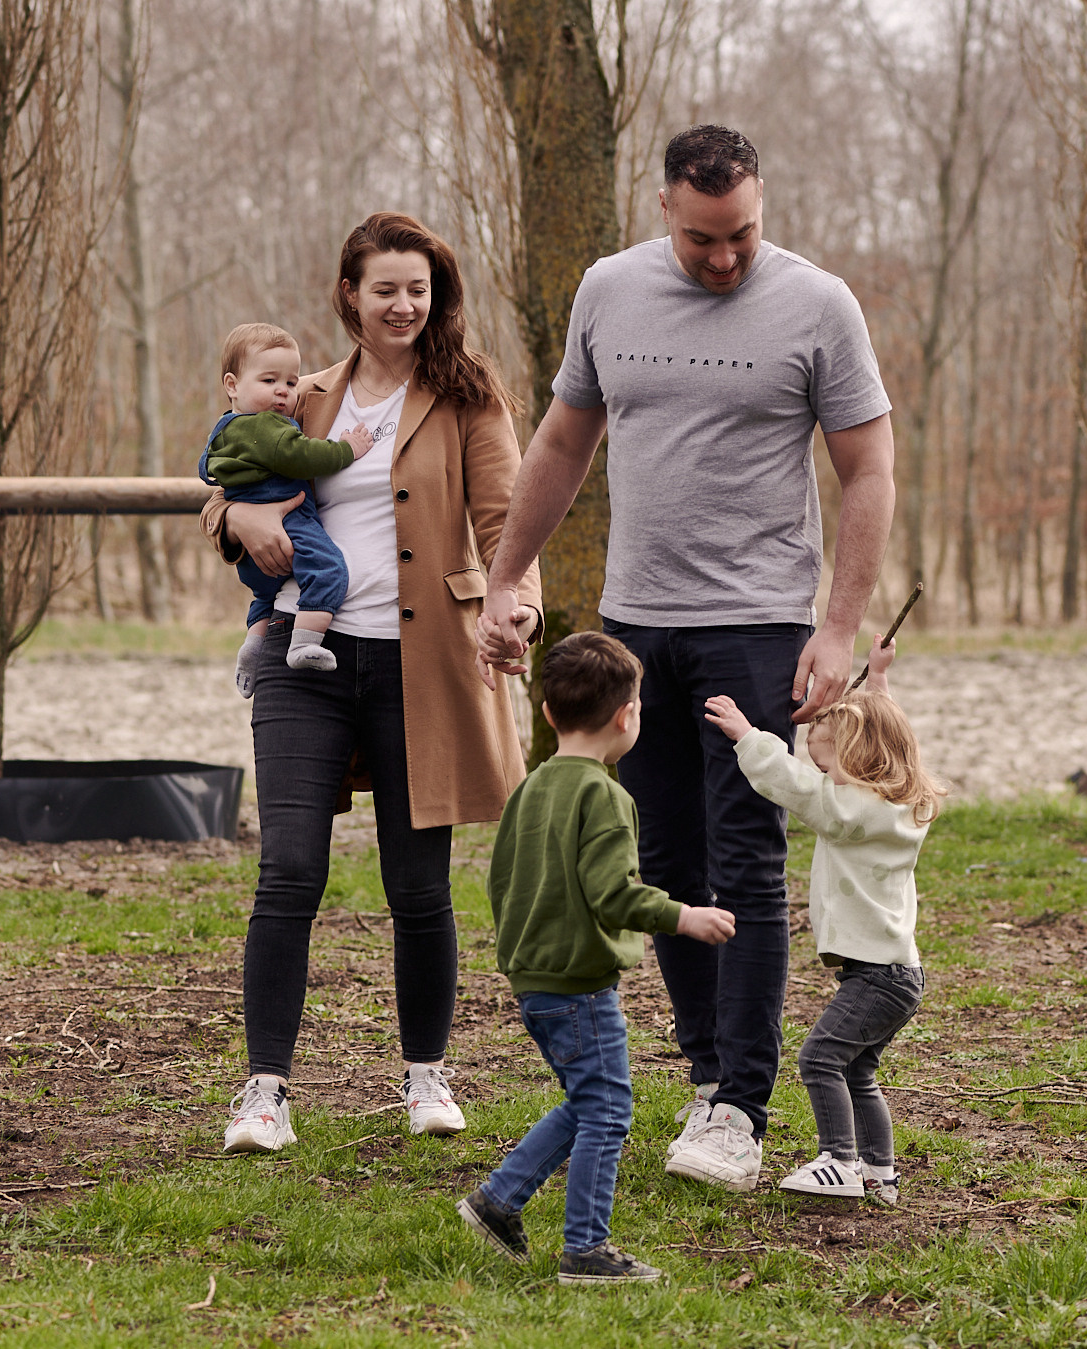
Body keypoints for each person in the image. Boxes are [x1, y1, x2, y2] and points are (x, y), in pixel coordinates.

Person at [474, 124, 896, 1192]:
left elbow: (867, 469)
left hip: (756, 623)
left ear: (761, 206)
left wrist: (835, 628)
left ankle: (741, 1111)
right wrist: (507, 579)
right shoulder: (607, 290)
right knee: (658, 859)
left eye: (742, 233)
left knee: (745, 858)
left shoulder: (817, 304)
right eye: (704, 238)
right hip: (637, 622)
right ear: (665, 207)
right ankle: (708, 1077)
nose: (724, 258)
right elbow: (563, 443)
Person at [208, 213, 543, 1155]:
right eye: (385, 288)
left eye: (419, 289)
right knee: (290, 871)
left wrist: (516, 608)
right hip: (302, 663)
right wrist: (236, 516)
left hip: (424, 664)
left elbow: (507, 522)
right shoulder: (299, 395)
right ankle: (265, 1090)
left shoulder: (470, 398)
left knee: (417, 883)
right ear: (348, 295)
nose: (404, 305)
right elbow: (220, 480)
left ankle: (426, 1075)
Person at [455, 632, 736, 1283]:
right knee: (608, 1108)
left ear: (549, 713)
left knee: (587, 1099)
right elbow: (613, 893)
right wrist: (682, 914)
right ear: (627, 715)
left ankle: (498, 1200)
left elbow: (501, 880)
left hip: (535, 979)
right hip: (580, 985)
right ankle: (585, 1247)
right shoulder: (607, 797)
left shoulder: (529, 789)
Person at [703, 642, 942, 1205]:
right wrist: (877, 678)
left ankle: (840, 1161)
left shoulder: (855, 811)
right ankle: (880, 1172)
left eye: (829, 762)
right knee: (857, 1073)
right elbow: (882, 731)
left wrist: (747, 736)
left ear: (859, 760)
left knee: (819, 1059)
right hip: (895, 972)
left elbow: (801, 792)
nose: (823, 773)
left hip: (879, 977)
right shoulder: (897, 804)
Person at [198, 322, 377, 692]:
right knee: (328, 571)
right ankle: (304, 644)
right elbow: (301, 456)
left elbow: (207, 472)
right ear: (232, 385)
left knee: (266, 594)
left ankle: (254, 643)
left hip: (252, 557)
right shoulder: (269, 428)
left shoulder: (224, 429)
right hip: (289, 524)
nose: (283, 392)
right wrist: (347, 449)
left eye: (292, 383)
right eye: (269, 382)